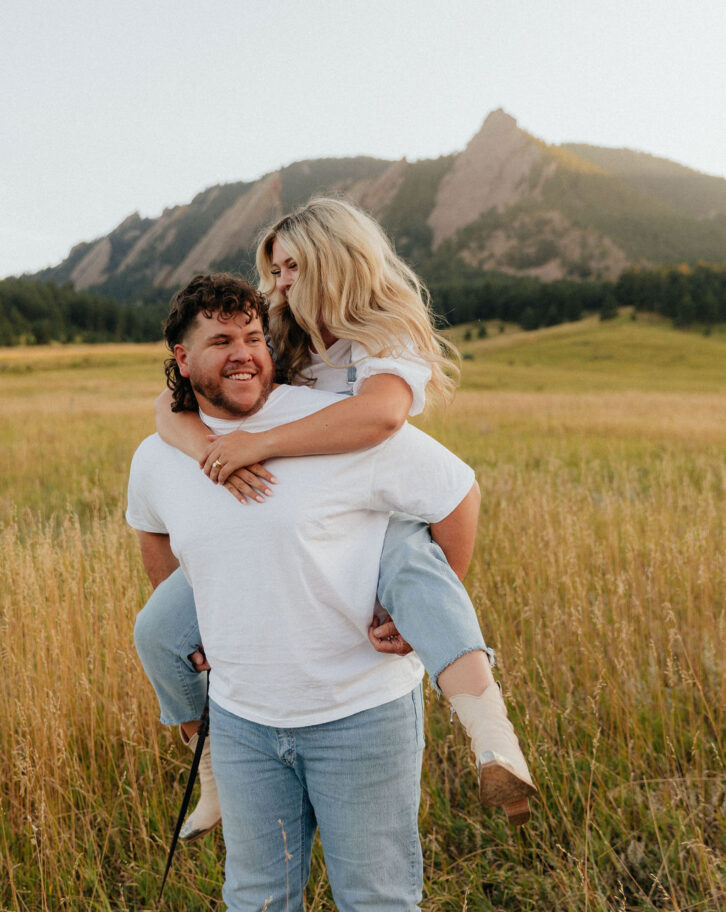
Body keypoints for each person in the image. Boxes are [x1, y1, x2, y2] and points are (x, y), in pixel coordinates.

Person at [138, 199, 535, 844]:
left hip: (376, 506)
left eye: (292, 266)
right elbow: (170, 398)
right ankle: (208, 764)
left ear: (335, 262)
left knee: (417, 573)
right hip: (292, 516)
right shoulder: (281, 327)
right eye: (276, 269)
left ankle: (493, 740)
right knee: (158, 628)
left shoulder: (387, 336)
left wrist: (258, 445)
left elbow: (379, 418)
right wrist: (209, 452)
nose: (279, 282)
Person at [128, 273, 484, 910]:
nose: (243, 351)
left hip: (360, 714)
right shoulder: (159, 456)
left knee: (375, 899)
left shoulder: (330, 424)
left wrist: (418, 611)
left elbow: (454, 492)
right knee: (256, 899)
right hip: (242, 724)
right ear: (182, 359)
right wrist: (203, 622)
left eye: (253, 336)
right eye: (220, 340)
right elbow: (155, 538)